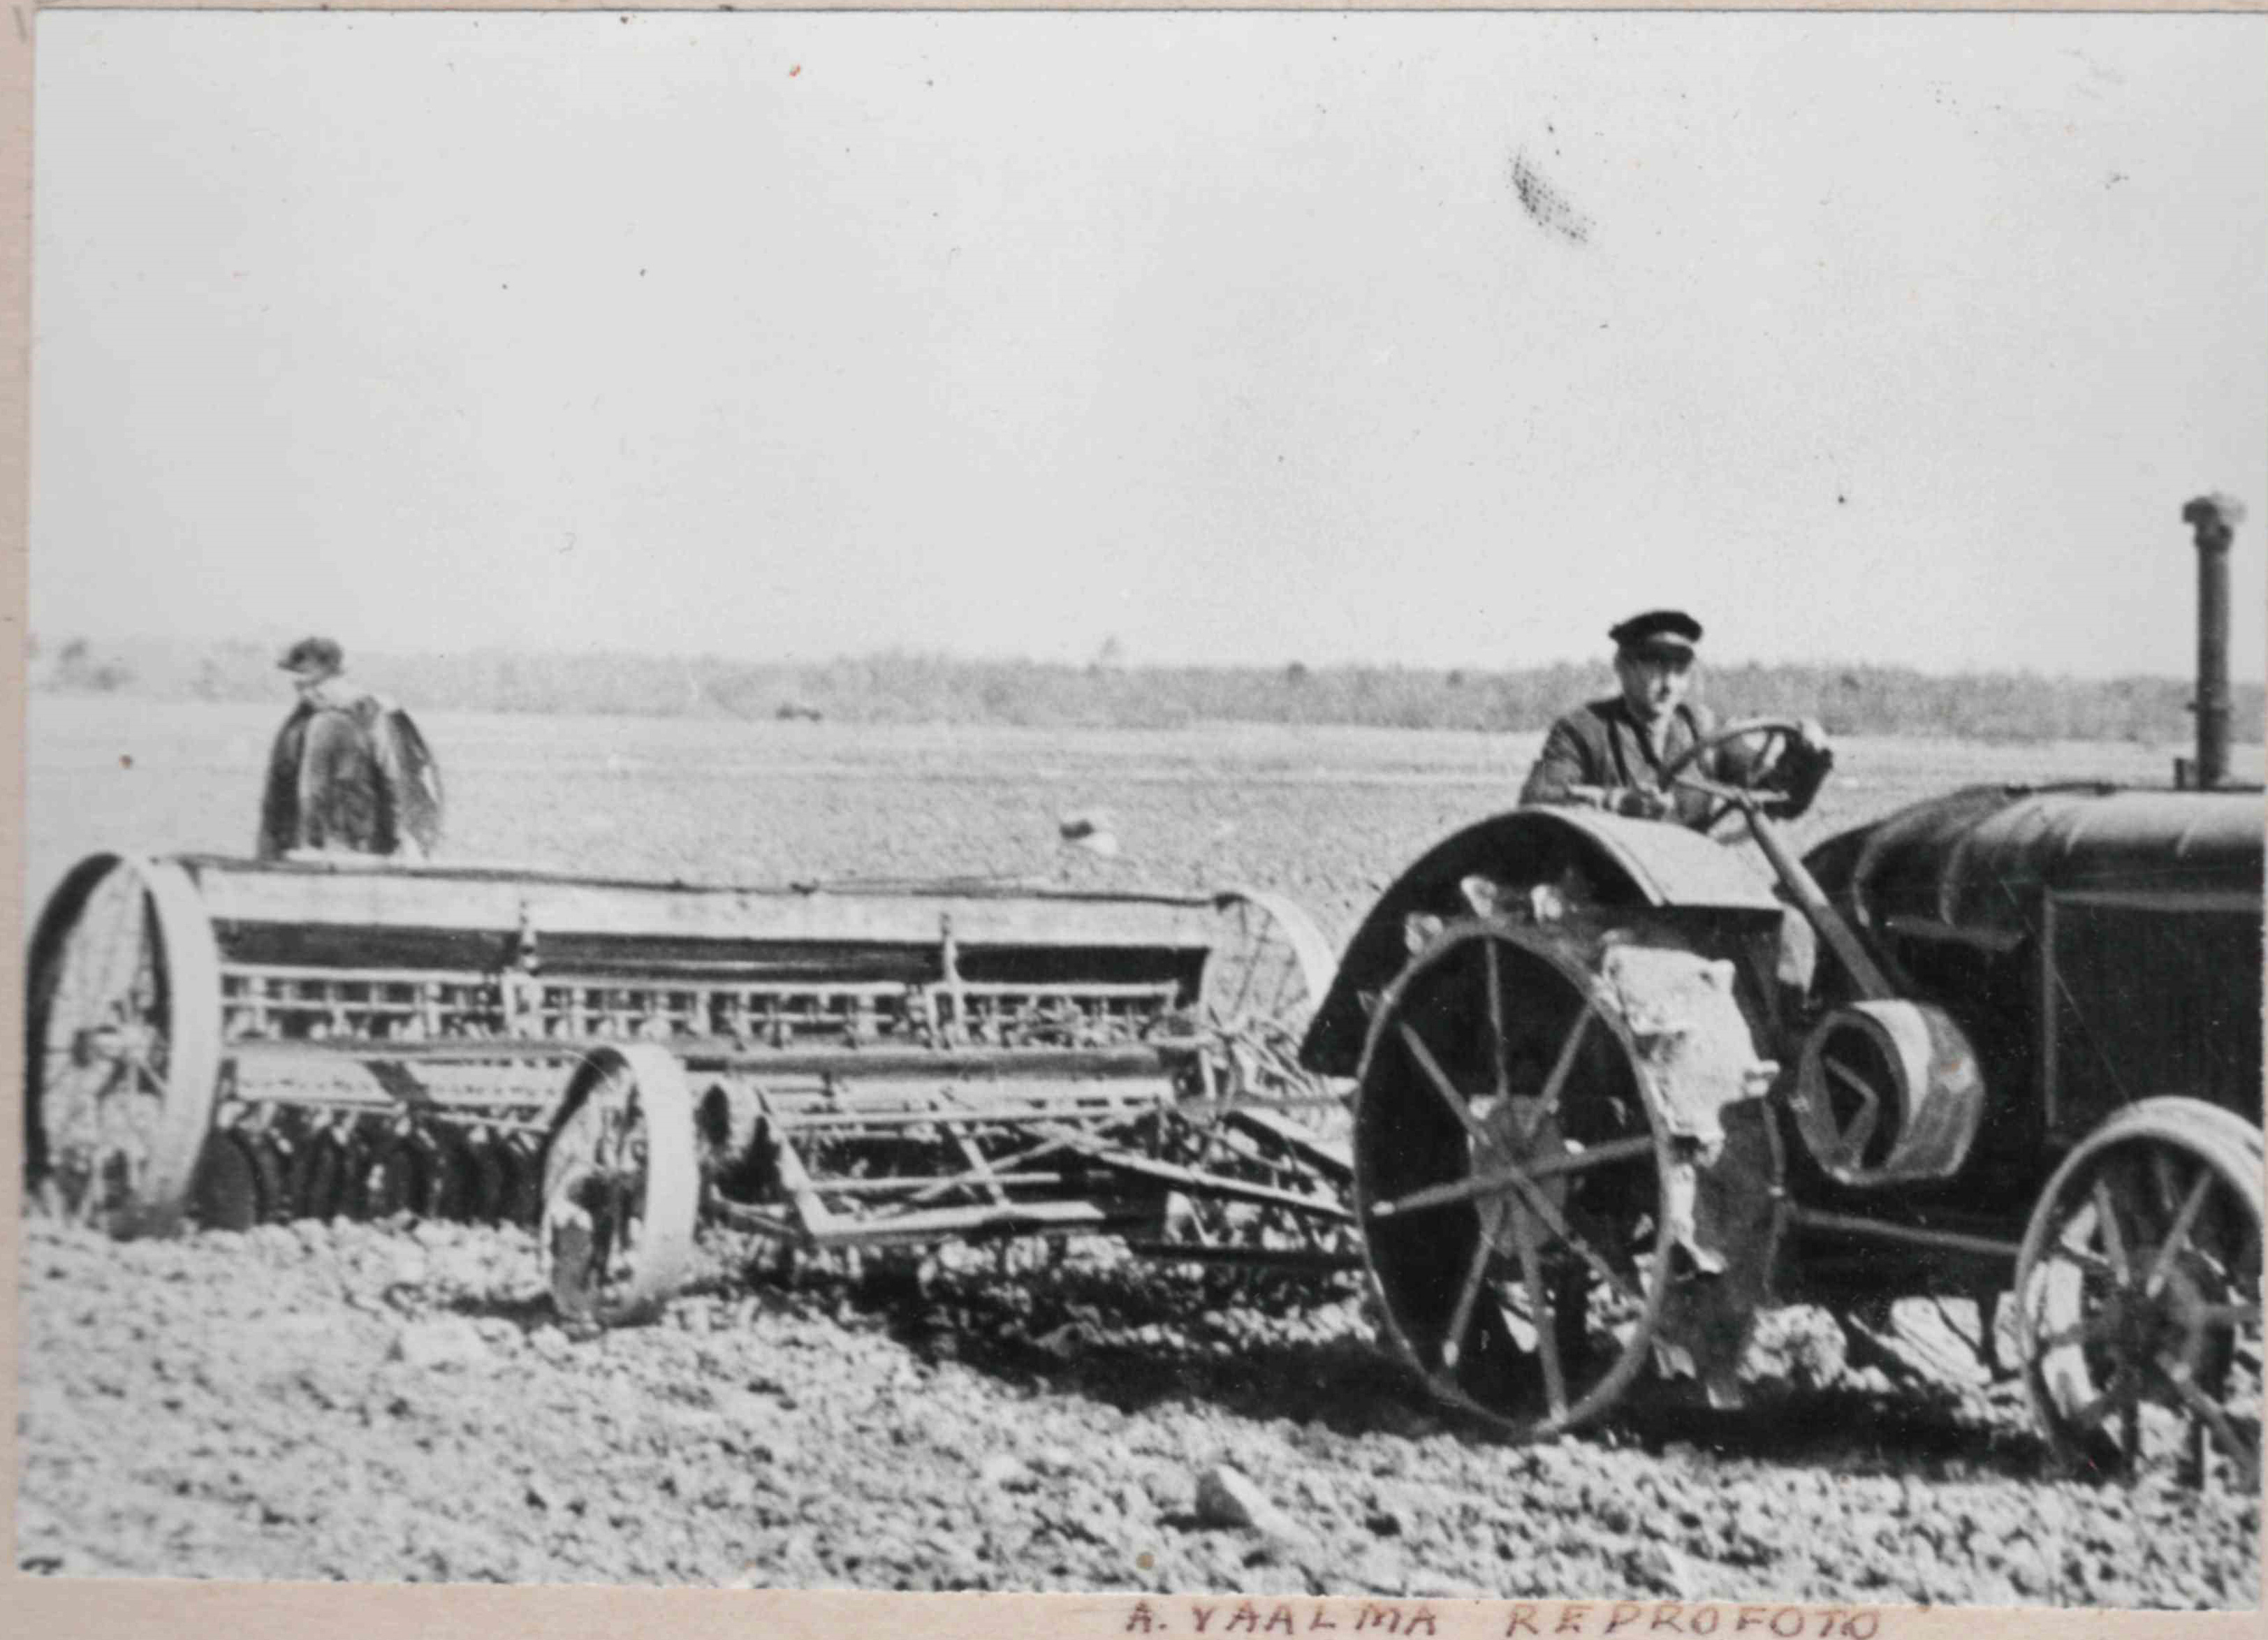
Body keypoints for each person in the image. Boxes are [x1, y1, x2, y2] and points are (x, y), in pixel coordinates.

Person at [1519, 610, 1832, 828]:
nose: (1669, 684)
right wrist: (1620, 802)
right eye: (1654, 667)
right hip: (1613, 886)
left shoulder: (1704, 730)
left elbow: (1776, 802)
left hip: (1687, 878)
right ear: (1623, 667)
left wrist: (1806, 759)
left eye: (1680, 670)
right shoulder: (1583, 730)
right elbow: (1539, 802)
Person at [258, 637, 444, 861]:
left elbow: (405, 781)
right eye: (299, 682)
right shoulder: (299, 725)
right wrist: (270, 852)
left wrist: (411, 845)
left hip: (364, 849)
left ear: (333, 674)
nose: (304, 689)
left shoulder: (377, 715)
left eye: (311, 679)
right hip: (305, 850)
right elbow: (278, 791)